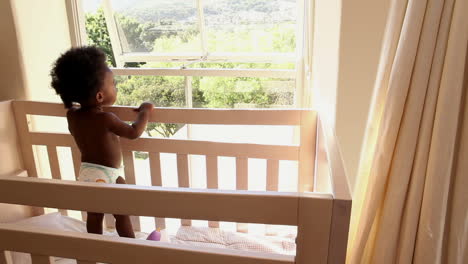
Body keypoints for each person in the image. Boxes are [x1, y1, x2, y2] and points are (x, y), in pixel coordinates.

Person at [50, 46, 153, 238]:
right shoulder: (107, 118)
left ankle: (95, 248)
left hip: (87, 173)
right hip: (109, 174)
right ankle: (130, 247)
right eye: (113, 84)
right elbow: (133, 132)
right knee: (121, 214)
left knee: (94, 215)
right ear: (100, 96)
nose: (116, 87)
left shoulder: (72, 116)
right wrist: (145, 111)